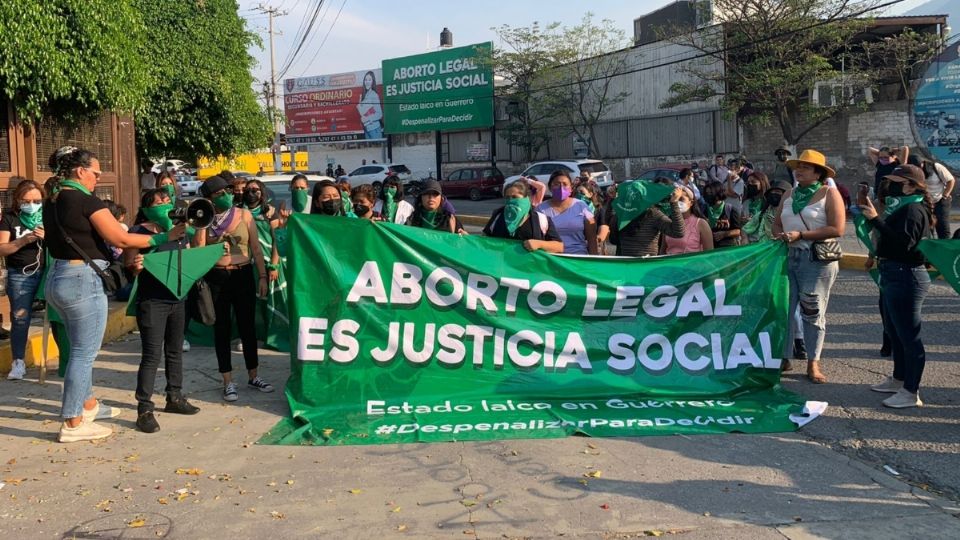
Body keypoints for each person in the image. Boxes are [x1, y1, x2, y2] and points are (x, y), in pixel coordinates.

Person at [44, 146, 183, 442]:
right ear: (80, 171)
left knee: (77, 350)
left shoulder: (53, 200)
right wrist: (163, 237)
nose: (97, 178)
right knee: (83, 353)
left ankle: (88, 405)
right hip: (82, 280)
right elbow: (119, 237)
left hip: (58, 276)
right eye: (95, 173)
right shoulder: (84, 199)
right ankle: (73, 422)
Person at [123, 189, 200, 433]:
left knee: (175, 350)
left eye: (167, 200)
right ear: (148, 208)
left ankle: (174, 397)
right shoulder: (138, 232)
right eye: (159, 202)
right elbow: (129, 264)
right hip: (152, 301)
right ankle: (144, 408)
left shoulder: (180, 231)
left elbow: (191, 256)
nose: (165, 204)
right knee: (151, 355)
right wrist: (137, 266)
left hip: (177, 298)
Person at [860, 164, 934, 408]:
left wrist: (875, 220)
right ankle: (899, 378)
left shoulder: (913, 209)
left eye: (897, 181)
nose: (890, 186)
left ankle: (911, 391)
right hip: (892, 273)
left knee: (909, 337)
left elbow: (904, 243)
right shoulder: (903, 207)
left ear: (912, 185)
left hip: (906, 275)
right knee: (894, 332)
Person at [194, 176, 273, 403]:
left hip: (243, 273)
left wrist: (263, 276)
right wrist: (204, 221)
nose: (226, 196)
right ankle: (227, 381)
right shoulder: (204, 218)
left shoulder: (244, 215)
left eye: (227, 191)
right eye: (219, 194)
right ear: (209, 198)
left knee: (247, 326)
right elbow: (198, 249)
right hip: (217, 277)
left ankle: (254, 375)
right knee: (222, 329)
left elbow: (256, 248)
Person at [773, 149, 845, 384]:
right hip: (788, 256)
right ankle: (784, 358)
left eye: (805, 167)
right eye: (797, 166)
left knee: (812, 310)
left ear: (818, 173)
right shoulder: (789, 194)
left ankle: (813, 362)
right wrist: (781, 236)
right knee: (784, 309)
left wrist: (802, 234)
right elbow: (776, 224)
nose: (799, 170)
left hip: (816, 260)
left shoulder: (829, 194)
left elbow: (837, 229)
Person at [0, 180, 47, 380]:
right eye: (27, 201)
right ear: (18, 201)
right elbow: (2, 248)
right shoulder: (10, 218)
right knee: (20, 318)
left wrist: (48, 236)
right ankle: (18, 361)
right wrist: (22, 241)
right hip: (20, 273)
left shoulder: (48, 216)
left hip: (47, 271)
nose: (32, 204)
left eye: (36, 200)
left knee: (60, 315)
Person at [608, 179, 685, 257]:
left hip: (633, 264)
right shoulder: (653, 213)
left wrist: (613, 200)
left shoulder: (623, 213)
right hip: (644, 264)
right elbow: (678, 232)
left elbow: (678, 232)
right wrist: (674, 202)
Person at [483, 181, 563, 253]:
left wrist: (540, 244)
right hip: (501, 266)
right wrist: (470, 240)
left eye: (515, 197)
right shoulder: (498, 215)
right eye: (507, 197)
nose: (511, 200)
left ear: (526, 198)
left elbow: (559, 247)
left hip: (529, 268)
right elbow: (483, 240)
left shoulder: (541, 219)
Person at [537, 170, 598, 255]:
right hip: (552, 259)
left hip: (578, 258)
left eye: (565, 184)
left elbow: (592, 238)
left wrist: (594, 261)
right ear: (550, 187)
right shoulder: (541, 209)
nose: (561, 187)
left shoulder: (581, 206)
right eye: (557, 184)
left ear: (571, 187)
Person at [909, 155, 954, 239]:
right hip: (923, 201)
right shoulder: (911, 172)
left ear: (923, 163)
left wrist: (945, 195)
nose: (919, 170)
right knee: (925, 226)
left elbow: (950, 180)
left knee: (942, 226)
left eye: (919, 166)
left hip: (940, 200)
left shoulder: (936, 167)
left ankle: (945, 248)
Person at [662, 187, 713, 254]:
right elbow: (663, 250)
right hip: (669, 263)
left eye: (681, 199)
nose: (677, 202)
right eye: (675, 198)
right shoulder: (668, 222)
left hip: (691, 263)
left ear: (691, 203)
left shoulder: (701, 224)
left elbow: (709, 253)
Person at [701, 180, 742, 248]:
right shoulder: (703, 209)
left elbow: (738, 231)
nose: (708, 195)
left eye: (711, 193)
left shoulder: (730, 210)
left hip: (727, 249)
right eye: (706, 193)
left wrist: (724, 234)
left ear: (719, 193)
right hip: (708, 249)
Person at [740, 171, 770, 243]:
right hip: (748, 241)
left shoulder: (769, 203)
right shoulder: (746, 203)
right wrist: (742, 220)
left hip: (764, 242)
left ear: (762, 183)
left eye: (753, 182)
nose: (750, 184)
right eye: (748, 182)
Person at [358, 70, 384, 140]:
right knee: (370, 151)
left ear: (373, 81)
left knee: (376, 150)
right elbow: (363, 112)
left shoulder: (374, 95)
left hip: (375, 130)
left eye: (369, 80)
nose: (367, 82)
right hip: (367, 129)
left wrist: (368, 118)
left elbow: (379, 114)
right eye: (366, 80)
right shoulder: (364, 95)